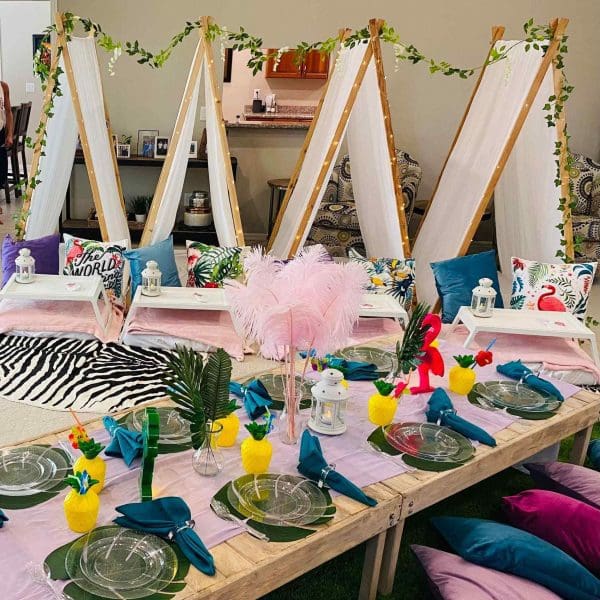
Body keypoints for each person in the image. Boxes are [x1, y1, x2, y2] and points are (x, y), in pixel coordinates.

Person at [0, 81, 13, 189]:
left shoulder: (3, 87)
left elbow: (8, 112)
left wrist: (9, 134)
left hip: (0, 132)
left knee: (2, 172)